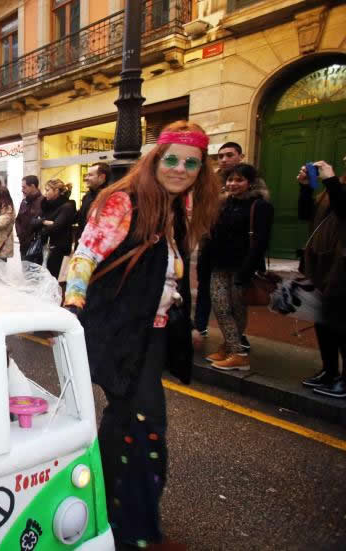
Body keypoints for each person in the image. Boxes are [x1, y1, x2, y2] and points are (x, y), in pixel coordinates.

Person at [64, 121, 220, 548]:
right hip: (119, 335)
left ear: (201, 169)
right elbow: (84, 259)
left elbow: (167, 275)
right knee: (146, 425)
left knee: (126, 424)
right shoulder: (123, 202)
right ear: (156, 158)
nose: (180, 168)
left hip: (152, 336)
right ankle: (134, 531)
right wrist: (73, 307)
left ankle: (112, 521)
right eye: (172, 159)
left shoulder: (182, 209)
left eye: (191, 162)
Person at [205, 164, 273, 371]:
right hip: (219, 264)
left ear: (250, 183)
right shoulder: (224, 203)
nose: (233, 184)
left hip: (241, 265)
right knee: (221, 306)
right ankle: (231, 347)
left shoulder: (260, 206)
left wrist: (247, 270)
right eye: (230, 180)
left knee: (237, 309)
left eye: (239, 180)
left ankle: (237, 353)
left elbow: (261, 241)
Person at [297, 159, 346, 398]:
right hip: (322, 263)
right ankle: (329, 371)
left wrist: (332, 182)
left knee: (341, 322)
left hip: (342, 267)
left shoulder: (336, 186)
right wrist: (306, 188)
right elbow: (306, 214)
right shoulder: (335, 187)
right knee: (322, 319)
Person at [194, 142, 249, 343]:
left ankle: (237, 338)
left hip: (235, 249)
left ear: (240, 156)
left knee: (235, 298)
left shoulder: (250, 179)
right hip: (209, 243)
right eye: (220, 156)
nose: (224, 159)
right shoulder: (211, 180)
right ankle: (200, 325)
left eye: (229, 155)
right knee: (204, 286)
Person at [33, 179, 76, 280]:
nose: (45, 193)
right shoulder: (47, 205)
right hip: (45, 246)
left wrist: (41, 222)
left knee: (54, 278)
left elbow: (56, 226)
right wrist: (45, 222)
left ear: (56, 191)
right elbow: (33, 221)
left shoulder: (67, 206)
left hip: (58, 248)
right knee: (43, 277)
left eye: (47, 190)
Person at [76, 162, 112, 238]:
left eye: (90, 175)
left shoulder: (109, 198)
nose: (86, 178)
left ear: (102, 177)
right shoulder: (87, 196)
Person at [15, 175, 44, 261]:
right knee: (25, 272)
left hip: (35, 246)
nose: (22, 190)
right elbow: (18, 220)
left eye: (24, 187)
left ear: (32, 186)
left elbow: (43, 222)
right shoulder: (24, 202)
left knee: (34, 272)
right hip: (23, 244)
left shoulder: (43, 201)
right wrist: (20, 235)